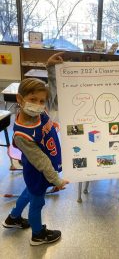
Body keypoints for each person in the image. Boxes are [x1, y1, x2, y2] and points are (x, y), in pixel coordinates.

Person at [2, 78, 69, 246]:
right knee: (37, 202)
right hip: (38, 172)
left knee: (28, 192)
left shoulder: (37, 112)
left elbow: (51, 92)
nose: (39, 104)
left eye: (41, 101)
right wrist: (56, 180)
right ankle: (38, 235)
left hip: (39, 171)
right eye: (33, 100)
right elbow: (41, 161)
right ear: (19, 99)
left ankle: (13, 218)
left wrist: (51, 67)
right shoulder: (22, 135)